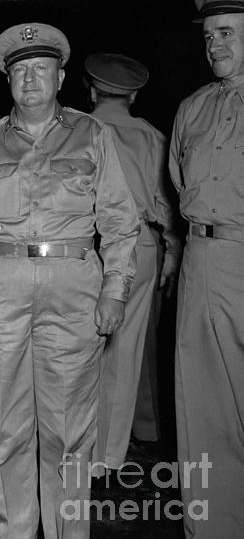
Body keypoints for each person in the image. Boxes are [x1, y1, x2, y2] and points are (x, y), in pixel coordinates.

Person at [0, 23, 138, 539]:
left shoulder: (93, 135)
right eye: (19, 70)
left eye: (40, 68)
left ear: (61, 76)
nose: (30, 79)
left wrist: (114, 292)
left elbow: (121, 222)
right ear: (8, 80)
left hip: (74, 289)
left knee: (67, 433)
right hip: (4, 288)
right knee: (4, 432)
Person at [170, 0, 244, 539]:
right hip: (201, 261)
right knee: (202, 415)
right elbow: (178, 188)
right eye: (209, 35)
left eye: (227, 31)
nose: (214, 44)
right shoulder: (192, 109)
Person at [85, 54, 181, 472]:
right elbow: (168, 207)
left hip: (84, 245)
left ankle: (76, 446)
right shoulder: (153, 137)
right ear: (134, 94)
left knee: (77, 350)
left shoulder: (79, 129)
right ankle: (107, 457)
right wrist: (171, 255)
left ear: (90, 90)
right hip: (140, 244)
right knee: (126, 354)